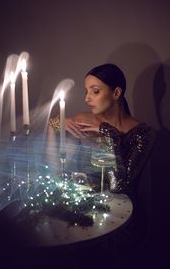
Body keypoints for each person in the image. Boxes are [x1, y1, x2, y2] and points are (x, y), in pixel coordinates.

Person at [48, 63, 156, 264]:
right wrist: (54, 124)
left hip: (124, 219)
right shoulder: (84, 121)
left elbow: (118, 186)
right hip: (86, 207)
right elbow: (55, 169)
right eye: (86, 90)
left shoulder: (144, 133)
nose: (86, 98)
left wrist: (108, 132)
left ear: (116, 93)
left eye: (95, 91)